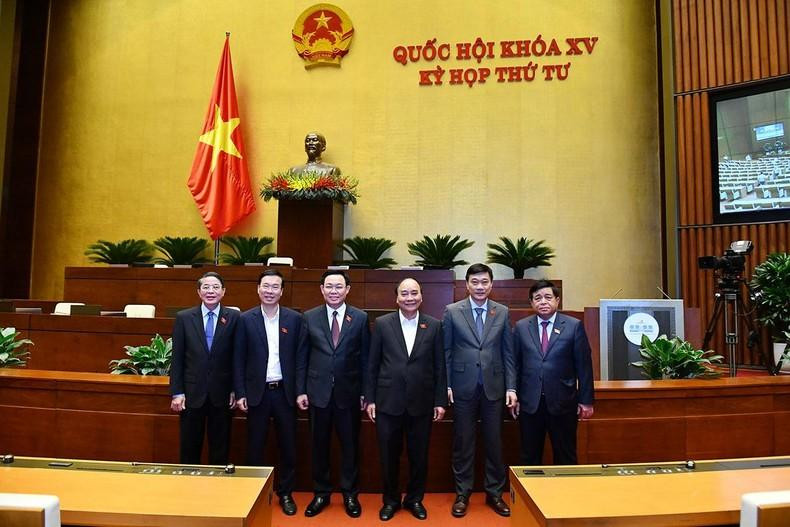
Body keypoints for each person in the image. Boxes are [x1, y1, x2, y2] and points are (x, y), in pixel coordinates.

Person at [366, 278, 447, 521]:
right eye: (404, 294)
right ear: (396, 298)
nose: (409, 298)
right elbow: (372, 364)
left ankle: (414, 499)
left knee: (419, 456)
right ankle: (390, 501)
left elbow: (440, 367)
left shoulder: (434, 326)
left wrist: (440, 401)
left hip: (421, 403)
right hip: (388, 401)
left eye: (414, 293)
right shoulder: (382, 324)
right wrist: (370, 399)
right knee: (389, 456)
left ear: (421, 297)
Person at [442, 263, 516, 518]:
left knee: (494, 442)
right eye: (475, 282)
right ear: (467, 285)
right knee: (463, 442)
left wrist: (512, 387)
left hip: (494, 388)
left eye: (485, 282)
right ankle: (462, 494)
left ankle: (494, 493)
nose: (480, 286)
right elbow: (447, 352)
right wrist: (448, 384)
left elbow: (508, 354)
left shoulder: (502, 312)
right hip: (462, 387)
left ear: (491, 284)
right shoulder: (452, 311)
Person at [296, 270, 369, 518]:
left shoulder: (360, 318)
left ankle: (350, 494)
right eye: (329, 286)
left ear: (347, 289)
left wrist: (365, 394)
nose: (334, 291)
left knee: (350, 446)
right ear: (322, 289)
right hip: (317, 394)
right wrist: (301, 390)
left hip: (349, 395)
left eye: (339, 287)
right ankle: (321, 493)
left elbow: (366, 360)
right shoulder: (309, 317)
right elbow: (302, 357)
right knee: (319, 446)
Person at [234, 270, 303, 515]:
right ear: (258, 289)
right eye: (266, 286)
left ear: (282, 291)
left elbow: (300, 358)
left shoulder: (295, 319)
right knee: (255, 446)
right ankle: (254, 493)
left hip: (285, 392)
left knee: (288, 445)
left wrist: (300, 391)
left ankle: (285, 493)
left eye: (275, 287)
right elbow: (238, 358)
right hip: (257, 393)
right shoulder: (245, 319)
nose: (270, 291)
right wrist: (240, 391)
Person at [512, 280, 594, 465]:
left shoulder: (574, 326)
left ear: (557, 300)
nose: (543, 302)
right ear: (532, 303)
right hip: (530, 404)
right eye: (537, 298)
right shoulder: (521, 327)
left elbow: (584, 366)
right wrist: (515, 395)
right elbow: (515, 365)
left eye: (548, 297)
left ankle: (566, 494)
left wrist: (586, 400)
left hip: (563, 402)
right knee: (529, 456)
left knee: (565, 455)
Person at [169, 271, 239, 465]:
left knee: (220, 448)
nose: (211, 291)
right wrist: (177, 392)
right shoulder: (184, 318)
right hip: (191, 394)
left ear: (223, 291)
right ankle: (188, 489)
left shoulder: (233, 317)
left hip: (222, 394)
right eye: (206, 287)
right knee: (189, 447)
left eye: (216, 287)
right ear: (199, 292)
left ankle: (217, 490)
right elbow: (177, 358)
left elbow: (237, 357)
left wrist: (235, 389)